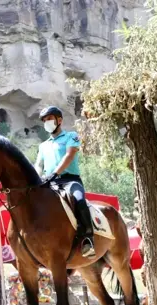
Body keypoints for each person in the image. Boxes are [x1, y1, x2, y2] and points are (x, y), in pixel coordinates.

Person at [34, 106, 96, 259]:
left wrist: (55, 173)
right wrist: (36, 179)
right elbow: (39, 165)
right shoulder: (43, 145)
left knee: (80, 200)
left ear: (59, 120)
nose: (47, 122)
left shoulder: (72, 136)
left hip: (70, 181)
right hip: (49, 183)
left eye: (49, 119)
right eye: (44, 120)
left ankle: (88, 240)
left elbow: (69, 156)